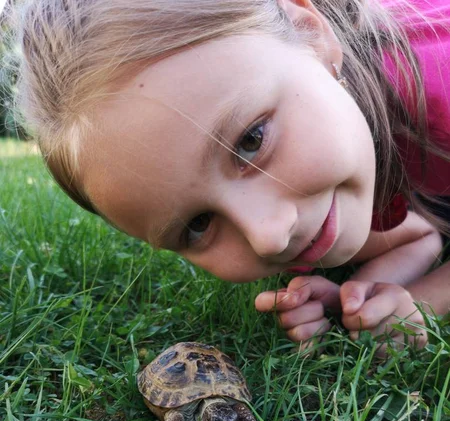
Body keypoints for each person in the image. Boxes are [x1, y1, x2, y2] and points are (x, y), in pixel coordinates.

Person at [11, 0, 450, 354]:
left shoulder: (439, 81)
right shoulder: (290, 216)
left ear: (312, 35)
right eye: (196, 226)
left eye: (251, 141)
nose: (268, 236)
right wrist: (364, 294)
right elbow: (421, 234)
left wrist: (427, 300)